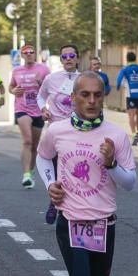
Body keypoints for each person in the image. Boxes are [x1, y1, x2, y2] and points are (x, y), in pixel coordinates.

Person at [36, 71, 137, 276]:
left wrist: (111, 165)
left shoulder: (116, 135)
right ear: (73, 98)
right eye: (85, 95)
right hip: (70, 221)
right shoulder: (57, 130)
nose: (91, 101)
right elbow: (43, 158)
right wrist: (50, 184)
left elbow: (130, 182)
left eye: (97, 95)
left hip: (103, 224)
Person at [38, 44, 83, 224]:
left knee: (77, 170)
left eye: (72, 55)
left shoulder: (85, 79)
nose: (68, 59)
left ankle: (78, 206)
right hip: (57, 131)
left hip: (80, 131)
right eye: (64, 56)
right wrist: (44, 109)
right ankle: (54, 202)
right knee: (58, 169)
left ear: (78, 58)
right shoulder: (51, 78)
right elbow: (40, 96)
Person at [9, 44, 50, 188]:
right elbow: (11, 87)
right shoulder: (16, 70)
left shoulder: (43, 69)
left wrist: (40, 83)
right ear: (21, 55)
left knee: (35, 145)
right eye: (26, 52)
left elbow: (50, 88)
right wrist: (14, 91)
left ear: (35, 54)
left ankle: (31, 171)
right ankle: (26, 174)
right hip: (22, 108)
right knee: (27, 140)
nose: (29, 54)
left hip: (38, 109)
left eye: (32, 52)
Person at [116, 52, 138, 145]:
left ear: (127, 59)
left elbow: (119, 81)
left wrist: (118, 87)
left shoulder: (125, 69)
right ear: (135, 58)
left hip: (130, 95)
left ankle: (135, 134)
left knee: (131, 115)